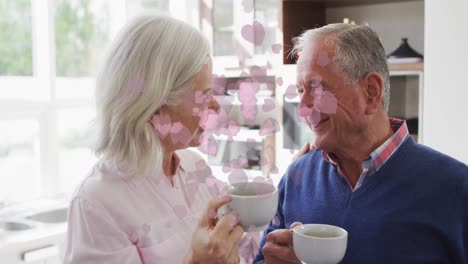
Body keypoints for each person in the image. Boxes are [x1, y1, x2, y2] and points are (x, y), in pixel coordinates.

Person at [254, 23, 468, 263]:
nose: (302, 109)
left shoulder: (457, 188)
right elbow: (263, 257)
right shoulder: (296, 178)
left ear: (371, 92)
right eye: (301, 91)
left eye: (315, 88)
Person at [62, 14, 259, 264]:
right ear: (155, 104)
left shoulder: (193, 166)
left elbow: (243, 250)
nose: (216, 108)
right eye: (203, 95)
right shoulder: (97, 202)